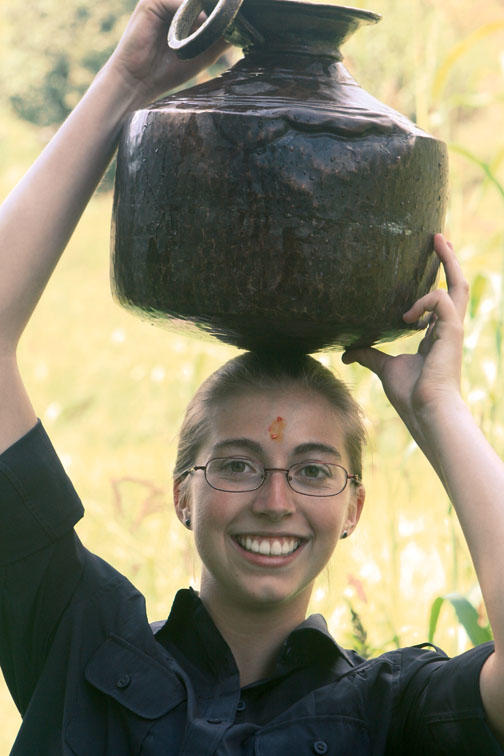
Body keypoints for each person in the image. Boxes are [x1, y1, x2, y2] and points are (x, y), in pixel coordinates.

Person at [1, 0, 503, 753]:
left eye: (314, 470)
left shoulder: (391, 713)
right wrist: (131, 78)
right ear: (182, 492)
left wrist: (439, 408)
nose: (275, 502)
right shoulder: (79, 639)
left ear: (355, 506)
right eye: (238, 464)